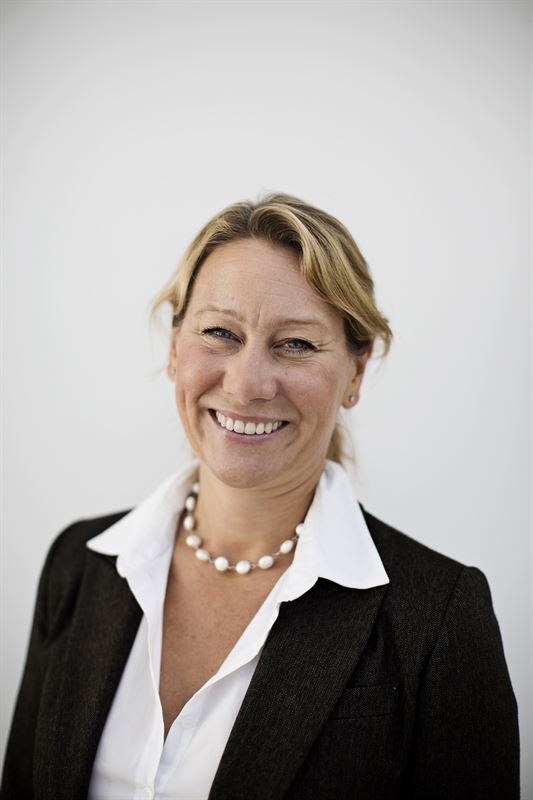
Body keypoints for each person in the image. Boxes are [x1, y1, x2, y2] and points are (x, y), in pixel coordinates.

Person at [1, 193, 519, 800]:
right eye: (219, 332)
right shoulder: (77, 565)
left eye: (295, 344)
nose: (247, 384)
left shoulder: (438, 618)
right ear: (175, 349)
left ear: (355, 373)